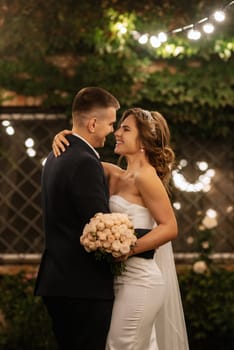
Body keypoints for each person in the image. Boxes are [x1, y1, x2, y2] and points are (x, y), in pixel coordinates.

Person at [53, 108, 189, 350]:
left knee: (119, 346)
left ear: (144, 141)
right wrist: (64, 137)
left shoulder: (146, 177)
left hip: (141, 280)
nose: (117, 132)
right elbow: (82, 155)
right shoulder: (114, 173)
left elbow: (170, 228)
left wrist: (127, 249)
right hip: (118, 280)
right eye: (119, 127)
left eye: (126, 129)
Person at [34, 86, 120, 350]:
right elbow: (98, 225)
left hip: (58, 281)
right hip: (83, 287)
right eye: (110, 123)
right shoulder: (84, 161)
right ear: (93, 123)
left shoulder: (55, 156)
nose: (113, 131)